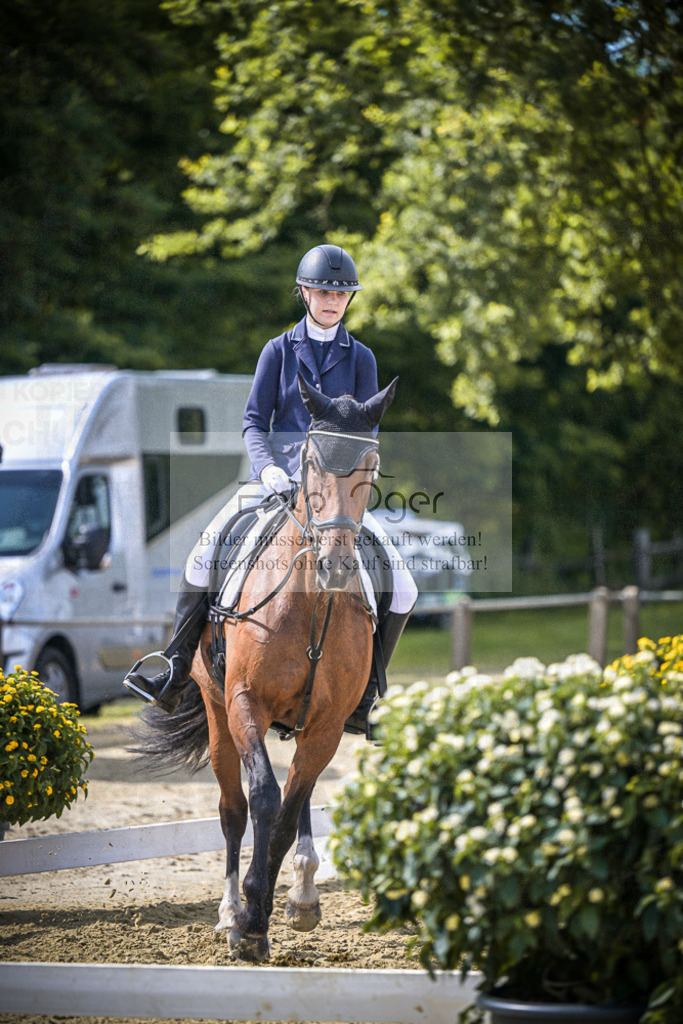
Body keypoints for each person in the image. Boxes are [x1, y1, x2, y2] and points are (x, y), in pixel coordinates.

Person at [123, 244, 417, 735]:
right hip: (276, 481)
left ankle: (367, 694)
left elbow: (367, 427)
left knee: (404, 586)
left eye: (341, 294)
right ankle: (174, 668)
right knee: (201, 556)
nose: (332, 301)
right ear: (304, 292)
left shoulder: (361, 357)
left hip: (335, 492)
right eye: (323, 292)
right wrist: (267, 470)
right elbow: (254, 422)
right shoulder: (278, 350)